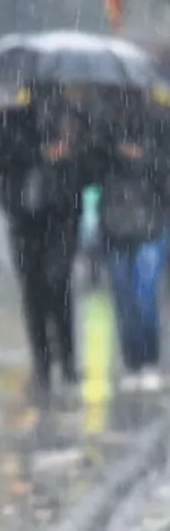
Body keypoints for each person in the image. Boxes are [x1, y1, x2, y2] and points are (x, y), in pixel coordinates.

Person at [0, 85, 96, 398]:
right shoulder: (11, 120)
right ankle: (43, 364)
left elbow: (92, 171)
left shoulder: (75, 121)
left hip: (62, 217)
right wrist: (38, 153)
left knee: (57, 282)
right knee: (33, 291)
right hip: (25, 218)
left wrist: (70, 153)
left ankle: (68, 359)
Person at [98, 98, 169, 392]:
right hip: (115, 224)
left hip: (150, 224)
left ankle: (149, 360)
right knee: (124, 296)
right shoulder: (103, 127)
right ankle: (131, 360)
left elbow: (164, 174)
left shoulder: (161, 124)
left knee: (144, 293)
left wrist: (143, 158)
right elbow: (91, 170)